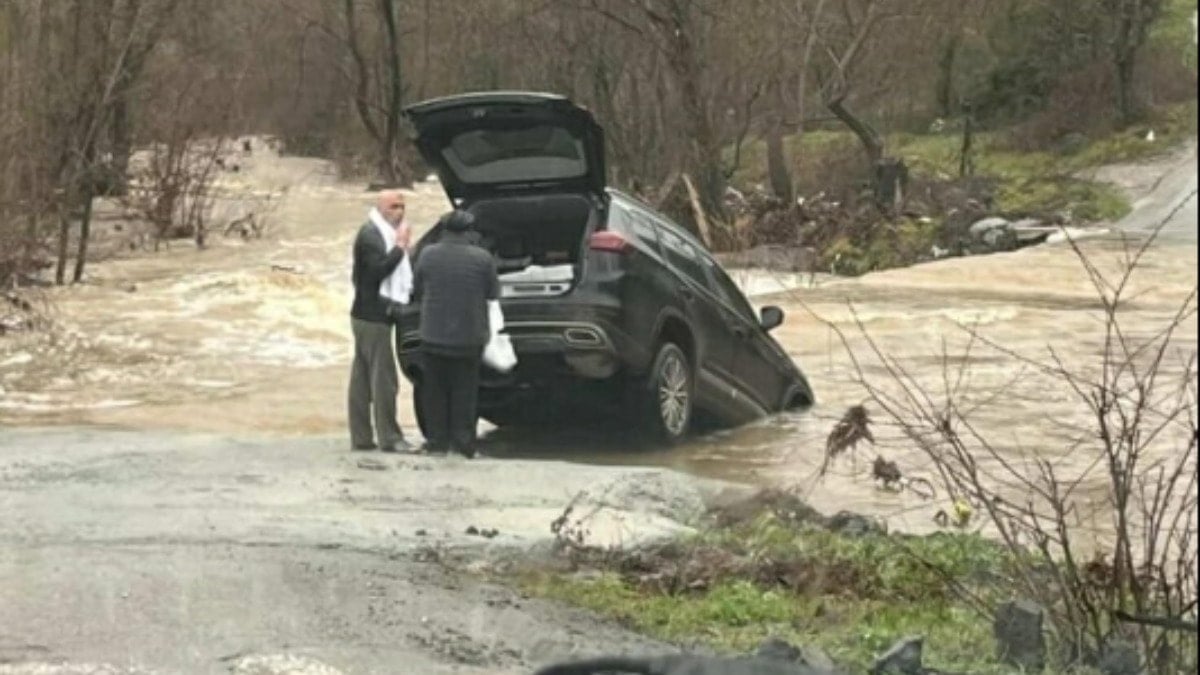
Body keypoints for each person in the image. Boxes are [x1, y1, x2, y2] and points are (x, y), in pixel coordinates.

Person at [412, 209, 500, 458]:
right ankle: (463, 444)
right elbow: (493, 293)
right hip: (468, 337)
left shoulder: (427, 254)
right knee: (465, 393)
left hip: (433, 335)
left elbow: (417, 289)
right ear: (469, 232)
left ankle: (437, 443)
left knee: (435, 392)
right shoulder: (482, 258)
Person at [348, 189, 412, 452]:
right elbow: (376, 272)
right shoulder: (371, 235)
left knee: (362, 379)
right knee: (383, 380)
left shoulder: (380, 232)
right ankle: (390, 438)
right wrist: (400, 247)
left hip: (365, 313)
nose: (399, 212)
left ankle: (362, 437)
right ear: (380, 209)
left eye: (402, 206)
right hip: (373, 316)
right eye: (393, 207)